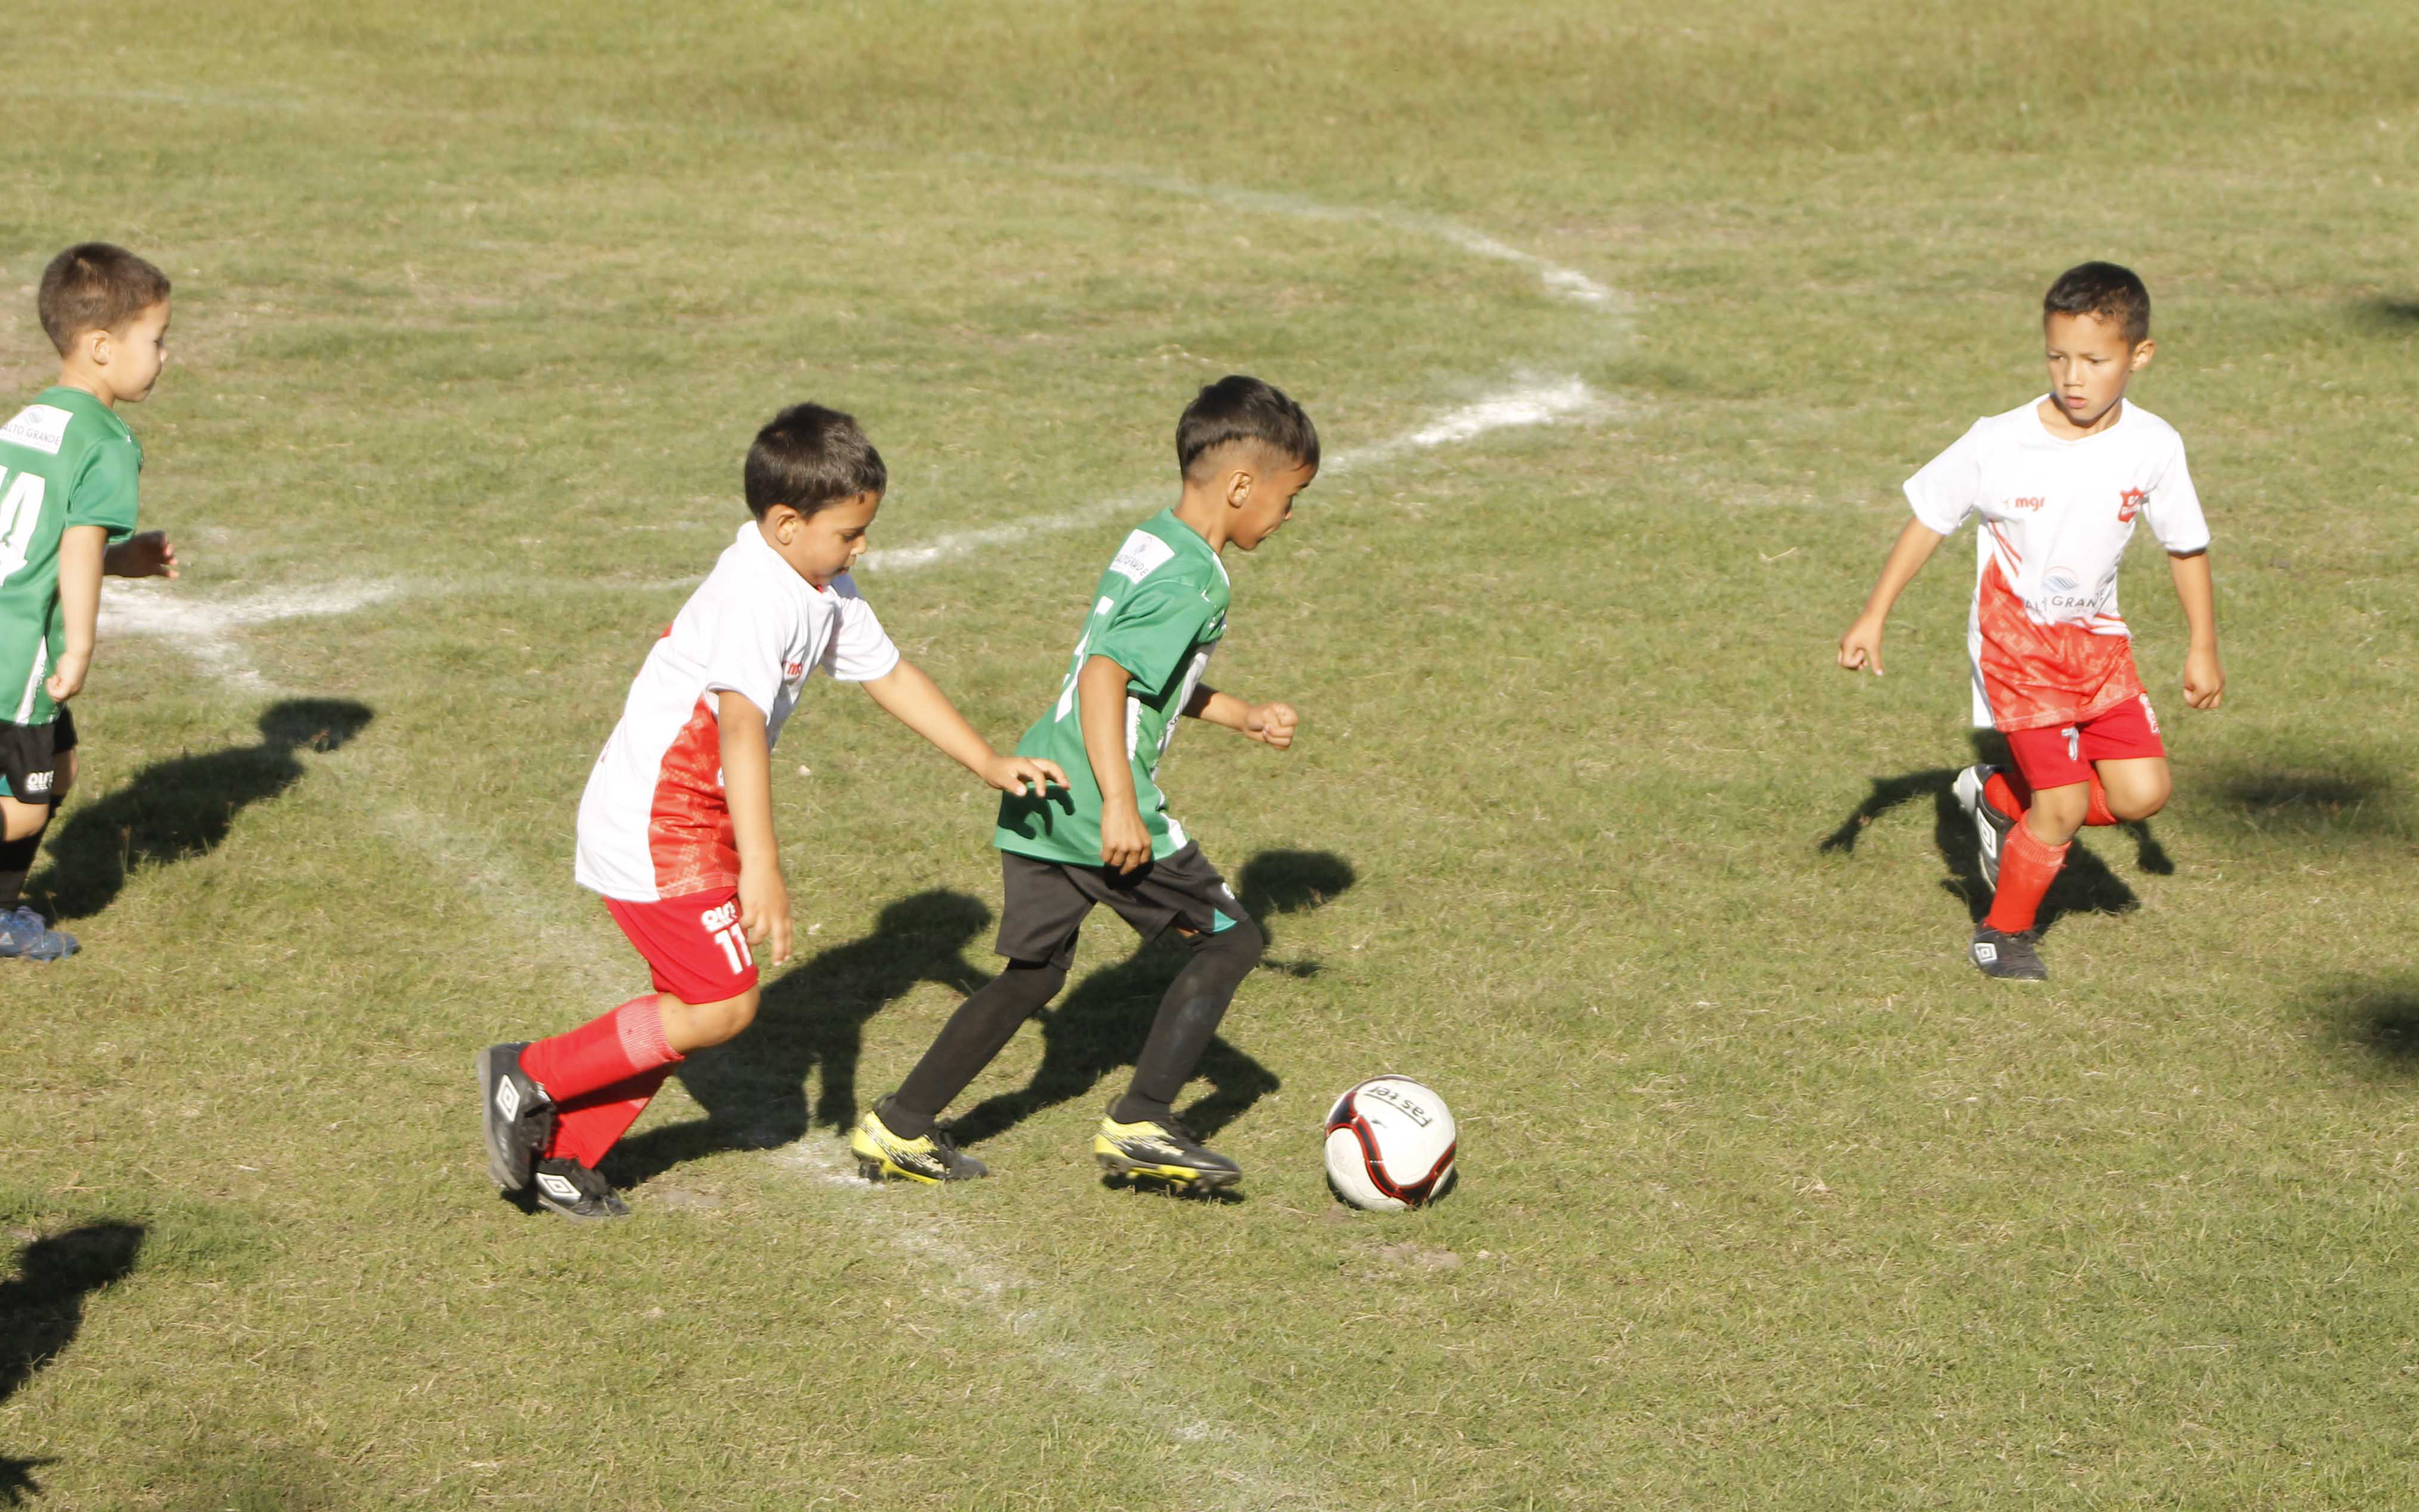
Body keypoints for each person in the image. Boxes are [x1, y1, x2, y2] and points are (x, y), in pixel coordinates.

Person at [479, 403, 1064, 1220]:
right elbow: (741, 731)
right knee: (723, 1003)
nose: (863, 548)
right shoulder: (757, 596)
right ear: (787, 523)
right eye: (851, 533)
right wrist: (763, 865)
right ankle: (532, 1073)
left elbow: (887, 673)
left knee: (688, 1002)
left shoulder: (814, 581)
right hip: (659, 822)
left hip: (694, 817)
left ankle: (564, 1152)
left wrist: (989, 761)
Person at [851, 375, 1317, 1190]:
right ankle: (1144, 1119)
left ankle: (900, 1126)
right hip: (1099, 801)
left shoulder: (1153, 540)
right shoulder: (1198, 578)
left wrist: (1238, 712)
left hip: (1043, 782)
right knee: (1233, 939)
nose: (1287, 517)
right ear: (1243, 485)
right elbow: (1107, 674)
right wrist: (1125, 807)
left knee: (1035, 975)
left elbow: (1144, 676)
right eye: (1289, 498)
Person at [1839, 261, 2224, 982]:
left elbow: (2185, 544)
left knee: (2144, 796)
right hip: (2018, 649)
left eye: (2094, 360)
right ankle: (2002, 934)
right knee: (2066, 804)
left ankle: (1995, 795)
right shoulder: (1998, 441)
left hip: (2099, 647)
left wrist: (2202, 645)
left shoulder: (2154, 444)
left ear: (2140, 356)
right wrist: (1873, 614)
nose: (2073, 376)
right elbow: (1929, 521)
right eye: (2058, 357)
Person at [0, 243, 182, 962]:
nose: (164, 356)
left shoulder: (30, 419)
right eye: (156, 339)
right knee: (21, 809)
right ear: (103, 347)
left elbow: (35, 540)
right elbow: (73, 546)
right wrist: (78, 644)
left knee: (60, 771)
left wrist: (122, 562)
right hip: (21, 649)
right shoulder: (107, 440)